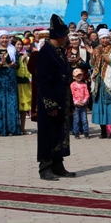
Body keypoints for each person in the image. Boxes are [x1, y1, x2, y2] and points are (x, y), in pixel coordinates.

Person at [36, 14, 75, 181]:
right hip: (50, 101)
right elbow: (43, 81)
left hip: (63, 98)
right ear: (59, 36)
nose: (67, 38)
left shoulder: (58, 51)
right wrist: (50, 104)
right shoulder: (45, 52)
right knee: (48, 133)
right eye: (65, 35)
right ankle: (45, 168)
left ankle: (58, 165)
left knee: (60, 133)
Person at [91, 28, 111, 139]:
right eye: (103, 38)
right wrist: (92, 54)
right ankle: (103, 131)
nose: (105, 40)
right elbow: (93, 65)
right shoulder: (96, 49)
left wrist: (103, 55)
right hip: (99, 81)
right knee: (100, 105)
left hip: (110, 80)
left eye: (107, 38)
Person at [0, 30, 22, 136]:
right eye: (2, 38)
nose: (4, 40)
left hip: (10, 79)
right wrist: (0, 63)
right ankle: (0, 129)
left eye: (6, 38)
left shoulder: (12, 50)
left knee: (11, 102)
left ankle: (12, 128)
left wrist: (14, 65)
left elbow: (18, 65)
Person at [14, 38, 32, 135]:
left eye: (21, 44)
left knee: (23, 108)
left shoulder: (25, 56)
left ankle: (23, 128)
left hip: (24, 84)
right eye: (17, 44)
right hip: (16, 84)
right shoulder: (12, 56)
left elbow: (28, 71)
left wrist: (24, 60)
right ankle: (15, 127)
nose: (19, 46)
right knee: (15, 107)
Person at [70, 68, 90, 139]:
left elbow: (87, 94)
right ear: (73, 77)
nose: (79, 77)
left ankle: (86, 132)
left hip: (83, 105)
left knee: (84, 119)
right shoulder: (72, 85)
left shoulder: (84, 85)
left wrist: (84, 101)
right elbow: (72, 94)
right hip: (76, 105)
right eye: (77, 76)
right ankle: (76, 133)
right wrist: (75, 102)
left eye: (80, 75)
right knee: (76, 119)